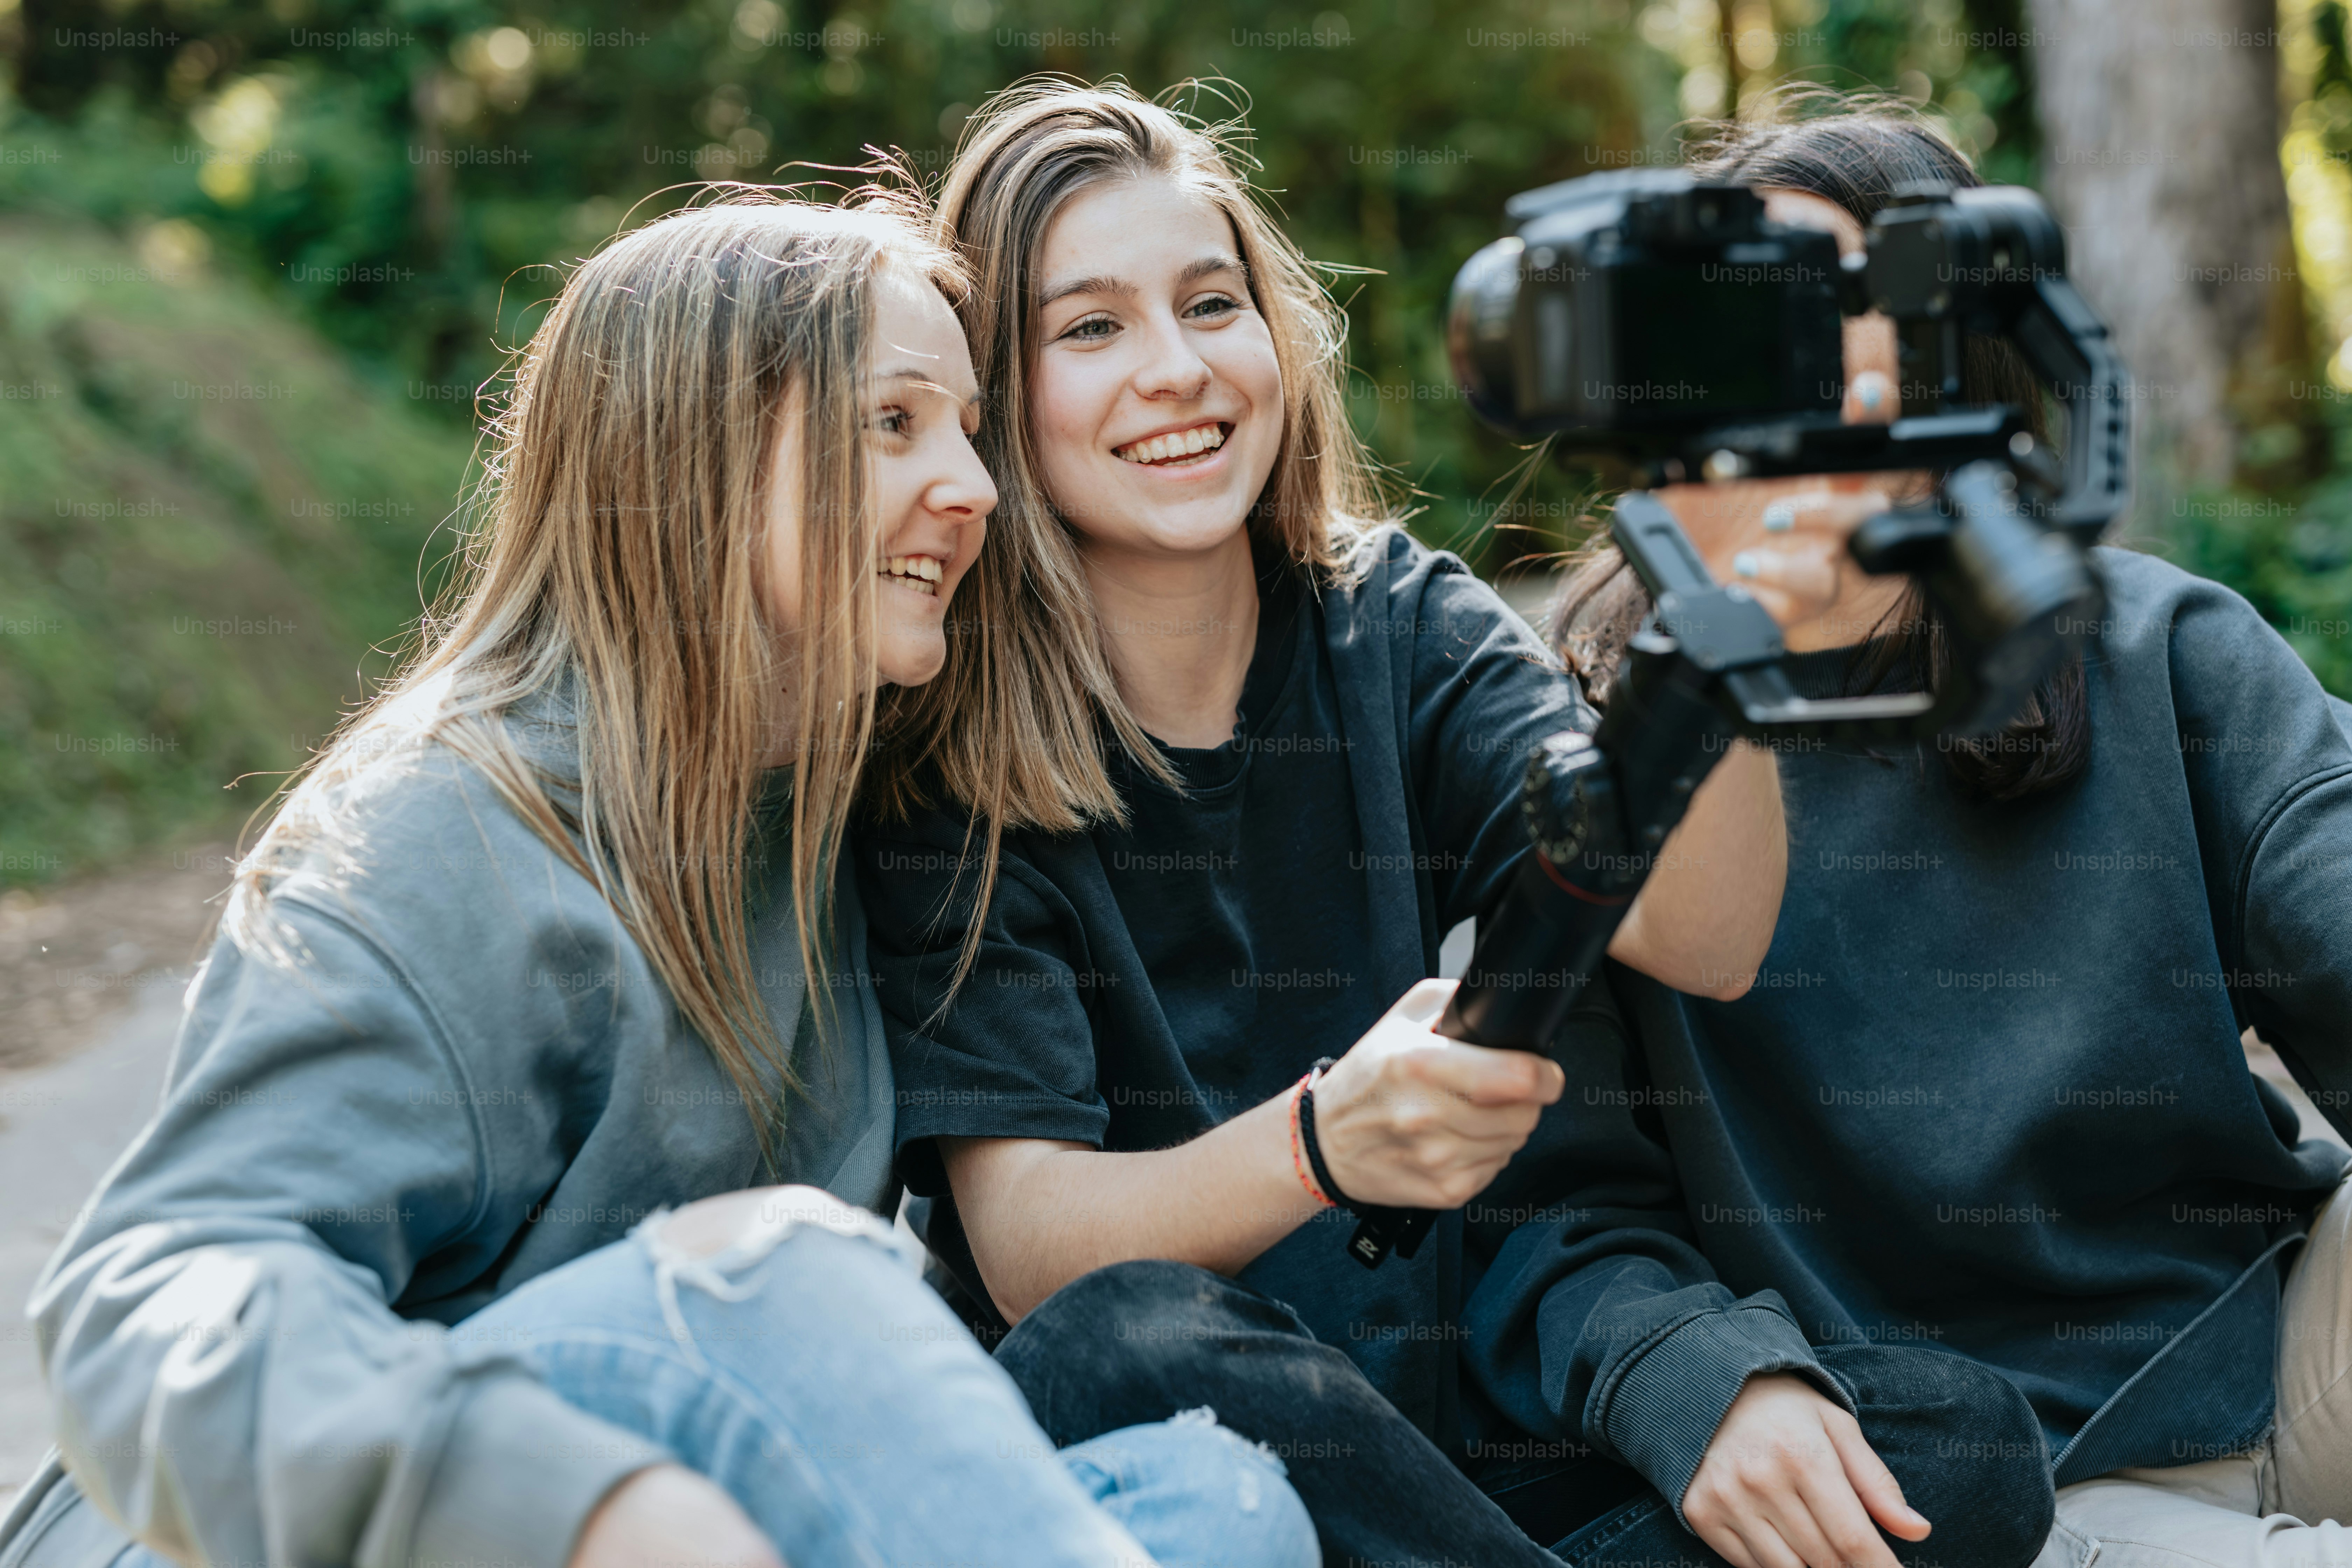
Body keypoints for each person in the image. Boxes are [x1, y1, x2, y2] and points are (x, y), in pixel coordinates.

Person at [0, 192, 1317, 1568]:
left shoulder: (830, 816)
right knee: (779, 1278)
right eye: (894, 423)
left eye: (971, 431)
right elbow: (139, 1304)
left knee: (1214, 1503)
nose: (977, 488)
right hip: (272, 1538)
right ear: (701, 461)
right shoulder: (447, 836)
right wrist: (580, 1501)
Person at [856, 80, 2047, 1566]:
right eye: (1089, 329)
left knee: (1956, 1448)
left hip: (1430, 1449)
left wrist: (1717, 608)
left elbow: (1707, 934)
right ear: (997, 395)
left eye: (1212, 303)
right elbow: (1034, 1252)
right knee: (1126, 1332)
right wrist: (1320, 1142)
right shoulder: (941, 747)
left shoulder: (1395, 623)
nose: (1176, 368)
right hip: (1167, 1464)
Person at [1458, 103, 2352, 1568]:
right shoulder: (1586, 739)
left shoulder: (2161, 648)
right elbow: (1552, 1212)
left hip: (2266, 1357)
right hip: (1939, 1477)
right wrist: (1709, 1384)